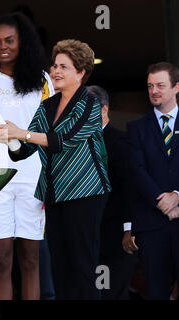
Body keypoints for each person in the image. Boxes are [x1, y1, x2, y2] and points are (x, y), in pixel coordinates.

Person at [0, 39, 111, 300]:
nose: (56, 71)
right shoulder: (47, 105)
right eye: (54, 65)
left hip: (85, 194)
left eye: (64, 67)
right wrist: (10, 138)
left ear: (80, 72)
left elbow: (62, 140)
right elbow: (23, 151)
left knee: (81, 266)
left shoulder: (89, 104)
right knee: (59, 267)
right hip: (55, 196)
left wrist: (22, 133)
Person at [0, 12, 54, 300]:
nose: (2, 47)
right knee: (1, 259)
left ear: (22, 42)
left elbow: (48, 132)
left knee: (30, 259)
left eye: (9, 41)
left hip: (32, 178)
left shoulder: (42, 81)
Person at [126, 62, 179, 300]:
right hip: (151, 224)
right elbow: (136, 171)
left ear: (176, 87)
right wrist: (162, 202)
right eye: (150, 86)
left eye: (160, 85)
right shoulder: (136, 128)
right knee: (155, 291)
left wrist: (177, 196)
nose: (154, 91)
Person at [87, 85, 136, 300]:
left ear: (104, 110)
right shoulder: (77, 143)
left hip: (115, 234)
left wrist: (128, 227)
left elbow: (130, 188)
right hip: (88, 233)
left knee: (111, 291)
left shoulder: (121, 142)